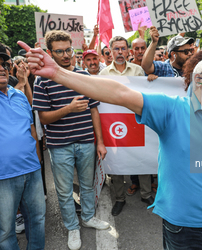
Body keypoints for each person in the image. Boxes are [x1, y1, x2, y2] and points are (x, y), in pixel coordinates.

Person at [20, 39, 202, 250]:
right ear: (199, 80)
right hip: (182, 230)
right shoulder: (173, 110)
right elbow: (119, 93)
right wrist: (58, 74)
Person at [31, 30, 109, 250]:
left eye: (69, 50)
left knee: (87, 185)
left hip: (86, 142)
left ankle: (88, 217)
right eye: (60, 51)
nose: (66, 55)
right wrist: (69, 108)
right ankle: (72, 227)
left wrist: (100, 142)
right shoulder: (42, 80)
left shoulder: (84, 75)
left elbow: (94, 110)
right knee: (64, 192)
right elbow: (44, 118)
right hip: (60, 146)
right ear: (50, 52)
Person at [99, 36, 153, 216]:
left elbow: (145, 95)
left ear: (128, 50)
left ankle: (146, 195)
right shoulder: (103, 75)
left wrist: (152, 80)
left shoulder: (138, 71)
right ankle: (120, 199)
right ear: (110, 51)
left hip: (136, 121)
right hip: (114, 123)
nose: (120, 52)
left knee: (141, 156)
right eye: (116, 49)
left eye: (123, 48)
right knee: (115, 161)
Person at [0, 51, 45, 250]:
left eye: (4, 64)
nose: (2, 68)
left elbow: (31, 128)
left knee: (37, 221)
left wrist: (38, 159)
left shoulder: (18, 94)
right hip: (4, 176)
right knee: (5, 230)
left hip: (32, 171)